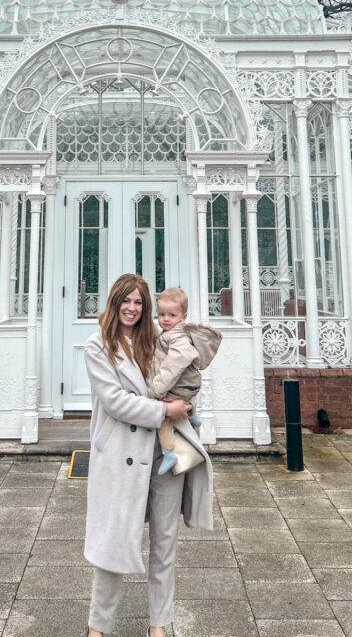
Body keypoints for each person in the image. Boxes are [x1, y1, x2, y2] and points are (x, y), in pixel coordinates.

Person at [84, 273, 214, 637]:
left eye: (139, 302)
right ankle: (99, 627)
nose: (132, 308)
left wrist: (182, 404)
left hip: (165, 457)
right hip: (121, 457)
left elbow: (186, 377)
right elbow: (115, 403)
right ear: (114, 303)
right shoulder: (99, 346)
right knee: (113, 544)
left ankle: (159, 625)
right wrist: (163, 412)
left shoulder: (158, 341)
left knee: (164, 544)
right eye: (126, 300)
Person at [148, 287, 222, 474]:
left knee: (163, 418)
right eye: (161, 314)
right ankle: (193, 416)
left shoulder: (176, 336)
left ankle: (169, 451)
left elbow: (174, 365)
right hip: (189, 385)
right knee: (177, 402)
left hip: (181, 386)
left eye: (171, 315)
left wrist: (156, 390)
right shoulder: (173, 333)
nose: (165, 319)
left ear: (183, 316)